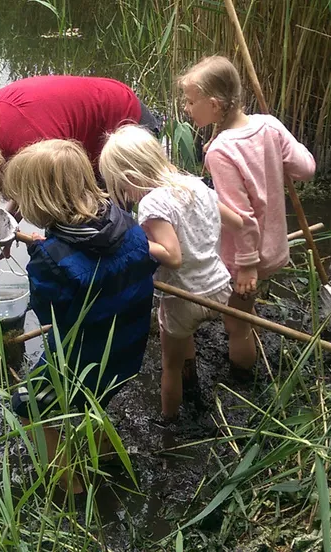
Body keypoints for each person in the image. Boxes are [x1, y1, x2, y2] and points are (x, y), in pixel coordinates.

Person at [2, 139, 156, 492]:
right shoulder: (126, 223)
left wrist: (43, 253)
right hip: (127, 349)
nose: (21, 207)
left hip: (83, 357)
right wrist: (48, 246)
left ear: (40, 199)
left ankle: (69, 486)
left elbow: (48, 313)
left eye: (23, 199)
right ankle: (106, 453)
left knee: (26, 405)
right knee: (93, 400)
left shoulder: (51, 259)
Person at [177, 56, 316, 376]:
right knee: (244, 308)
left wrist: (248, 266)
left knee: (236, 324)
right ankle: (248, 315)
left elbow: (242, 216)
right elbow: (306, 168)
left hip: (245, 258)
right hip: (274, 246)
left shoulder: (221, 152)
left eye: (190, 101)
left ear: (213, 105)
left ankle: (244, 382)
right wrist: (275, 157)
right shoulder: (268, 124)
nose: (186, 108)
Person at [99, 124, 243, 423]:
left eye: (123, 187)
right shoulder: (195, 185)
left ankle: (168, 420)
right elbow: (236, 221)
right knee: (214, 336)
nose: (126, 194)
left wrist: (135, 241)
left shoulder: (153, 201)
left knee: (170, 365)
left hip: (183, 298)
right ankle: (225, 382)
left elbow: (173, 257)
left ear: (131, 176)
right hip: (219, 286)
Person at [0, 75, 161, 231]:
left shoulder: (31, 144)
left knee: (108, 230)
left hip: (123, 130)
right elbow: (27, 187)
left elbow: (57, 197)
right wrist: (6, 230)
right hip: (75, 139)